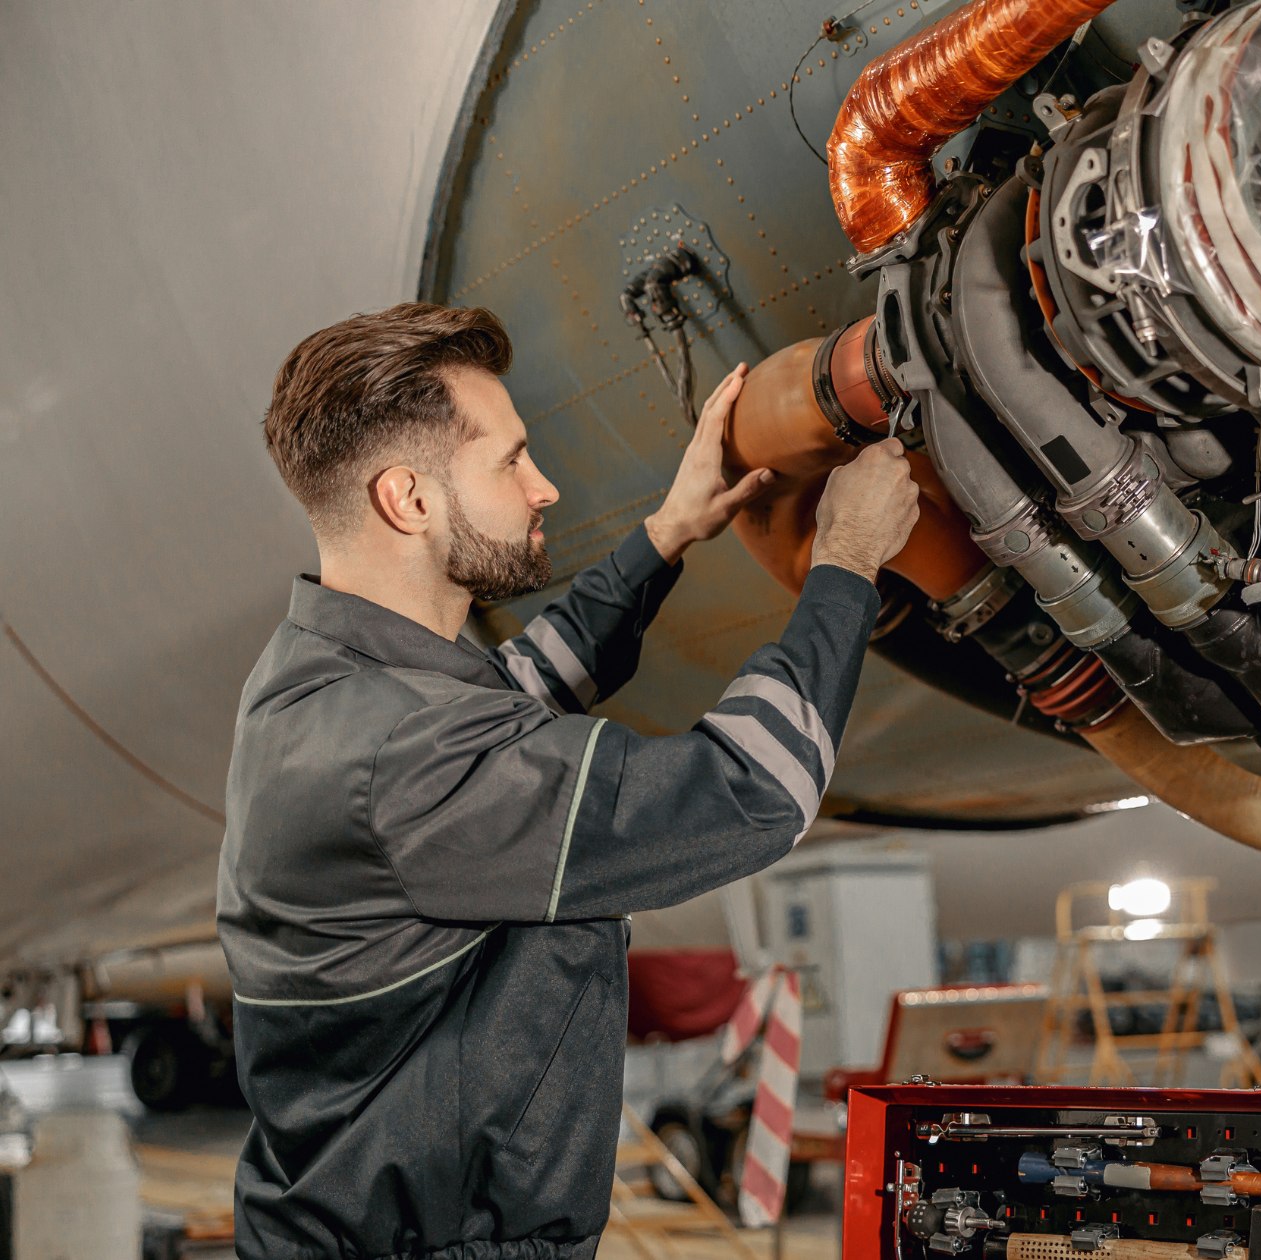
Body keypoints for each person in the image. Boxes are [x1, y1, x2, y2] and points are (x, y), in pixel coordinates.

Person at [217, 302, 918, 1259]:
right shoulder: (410, 757)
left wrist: (669, 533)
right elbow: (751, 790)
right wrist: (847, 559)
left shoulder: (321, 679)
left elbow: (518, 692)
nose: (543, 488)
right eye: (509, 461)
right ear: (408, 500)